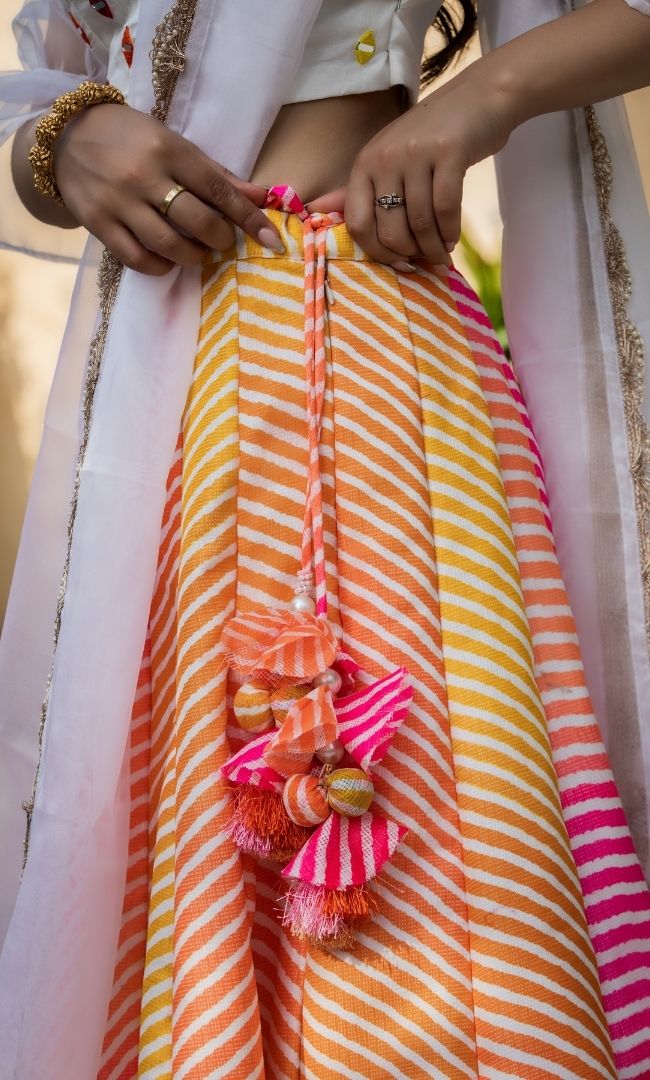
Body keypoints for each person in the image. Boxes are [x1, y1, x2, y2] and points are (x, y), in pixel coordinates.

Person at [0, 1, 649, 1077]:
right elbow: (51, 90)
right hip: (150, 417)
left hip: (361, 362)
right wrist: (63, 140)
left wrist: (484, 98)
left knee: (419, 919)